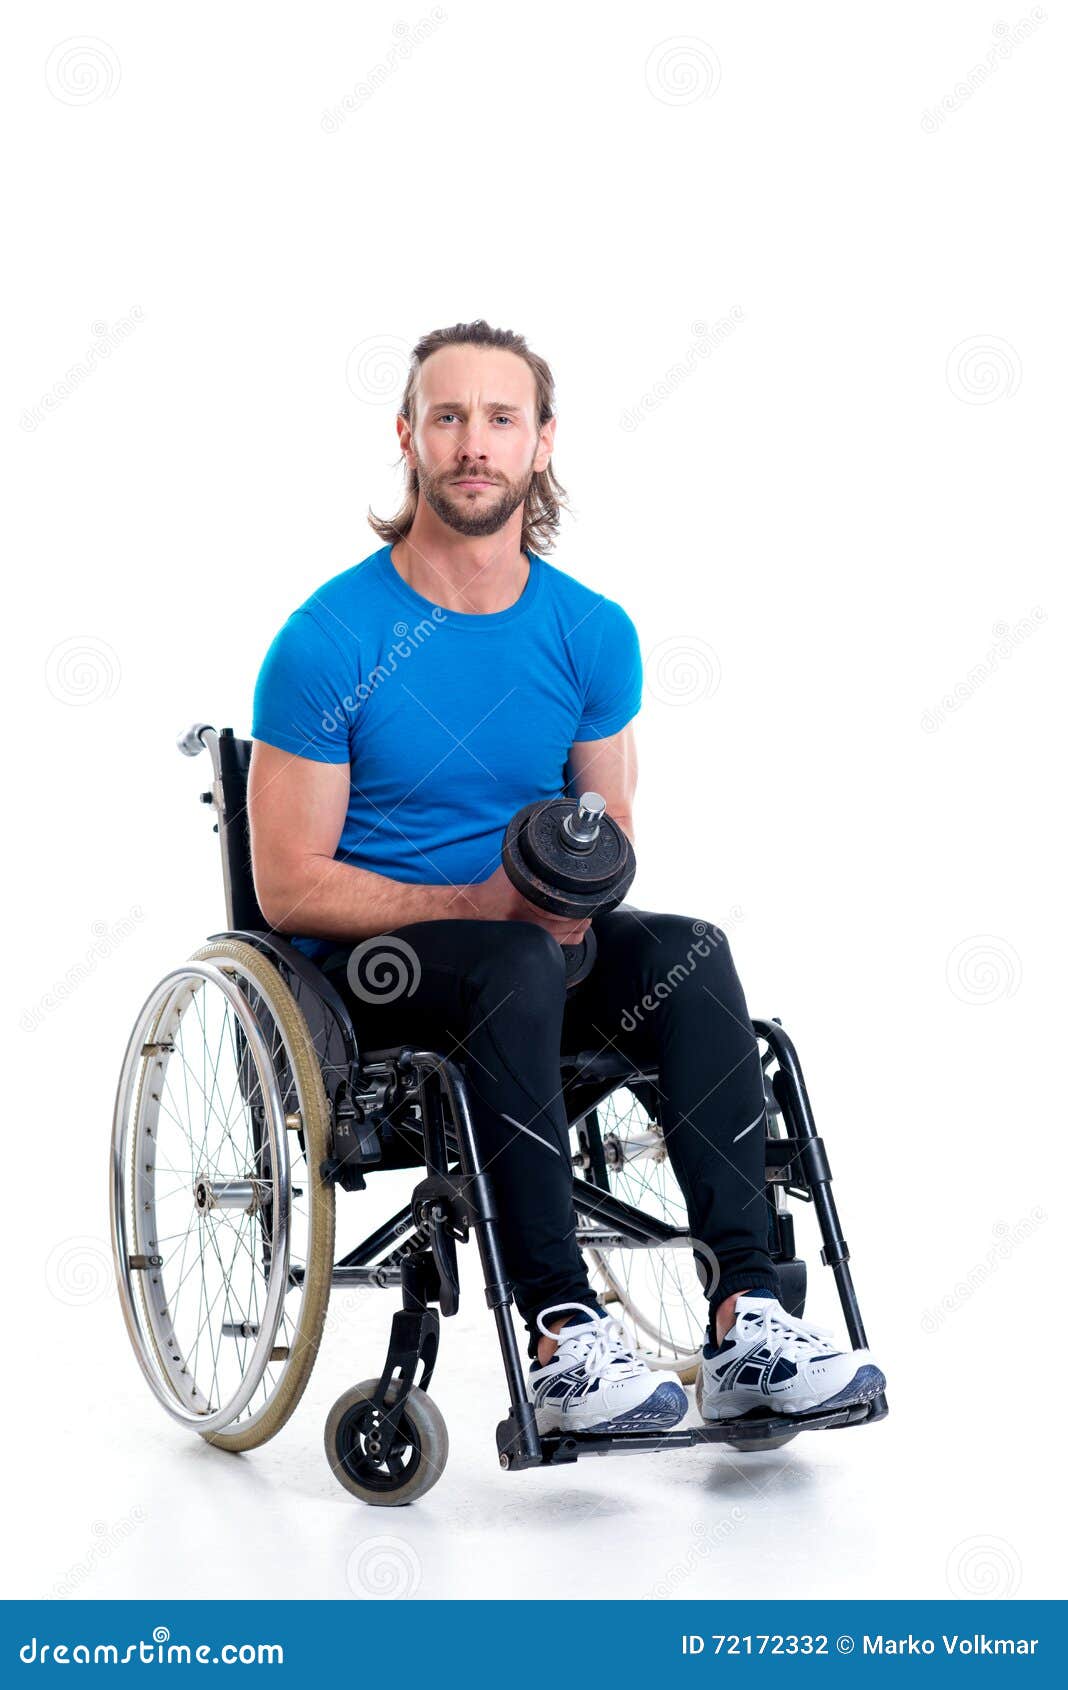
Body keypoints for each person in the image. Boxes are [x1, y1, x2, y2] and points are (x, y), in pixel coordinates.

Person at [247, 318, 886, 1435]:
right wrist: (485, 905)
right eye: (449, 418)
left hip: (538, 948)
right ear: (409, 437)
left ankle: (748, 1316)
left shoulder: (590, 632)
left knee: (689, 951)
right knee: (508, 959)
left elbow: (610, 827)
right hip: (378, 971)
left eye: (501, 419)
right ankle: (561, 1337)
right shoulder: (328, 638)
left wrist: (566, 892)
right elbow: (289, 886)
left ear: (543, 443)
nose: (474, 444)